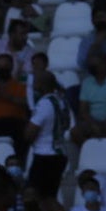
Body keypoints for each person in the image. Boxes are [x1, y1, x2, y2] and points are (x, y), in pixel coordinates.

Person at [23, 71, 72, 204]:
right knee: (50, 197)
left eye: (35, 83)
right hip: (59, 153)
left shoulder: (44, 104)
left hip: (45, 155)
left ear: (41, 85)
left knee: (37, 197)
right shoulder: (62, 101)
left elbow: (30, 133)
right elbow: (67, 125)